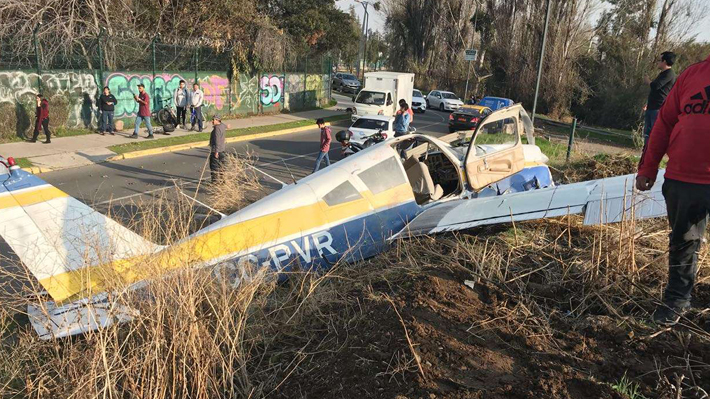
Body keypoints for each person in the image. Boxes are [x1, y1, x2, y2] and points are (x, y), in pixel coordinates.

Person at [636, 53, 710, 326]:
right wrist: (648, 168)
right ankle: (676, 304)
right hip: (683, 178)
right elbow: (664, 123)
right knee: (683, 242)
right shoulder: (692, 75)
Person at [643, 51, 677, 145]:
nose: (658, 62)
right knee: (647, 132)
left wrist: (648, 81)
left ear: (664, 61)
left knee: (653, 132)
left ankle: (650, 151)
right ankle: (645, 151)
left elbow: (656, 86)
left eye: (659, 60)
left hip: (658, 108)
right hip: (652, 106)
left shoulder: (669, 74)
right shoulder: (663, 74)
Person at [209, 114, 226, 183]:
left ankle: (215, 182)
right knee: (221, 167)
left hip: (216, 151)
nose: (212, 121)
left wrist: (216, 151)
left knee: (214, 167)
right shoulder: (222, 126)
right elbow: (224, 125)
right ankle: (222, 181)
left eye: (213, 120)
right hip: (222, 150)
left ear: (217, 120)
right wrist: (227, 126)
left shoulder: (217, 128)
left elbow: (217, 140)